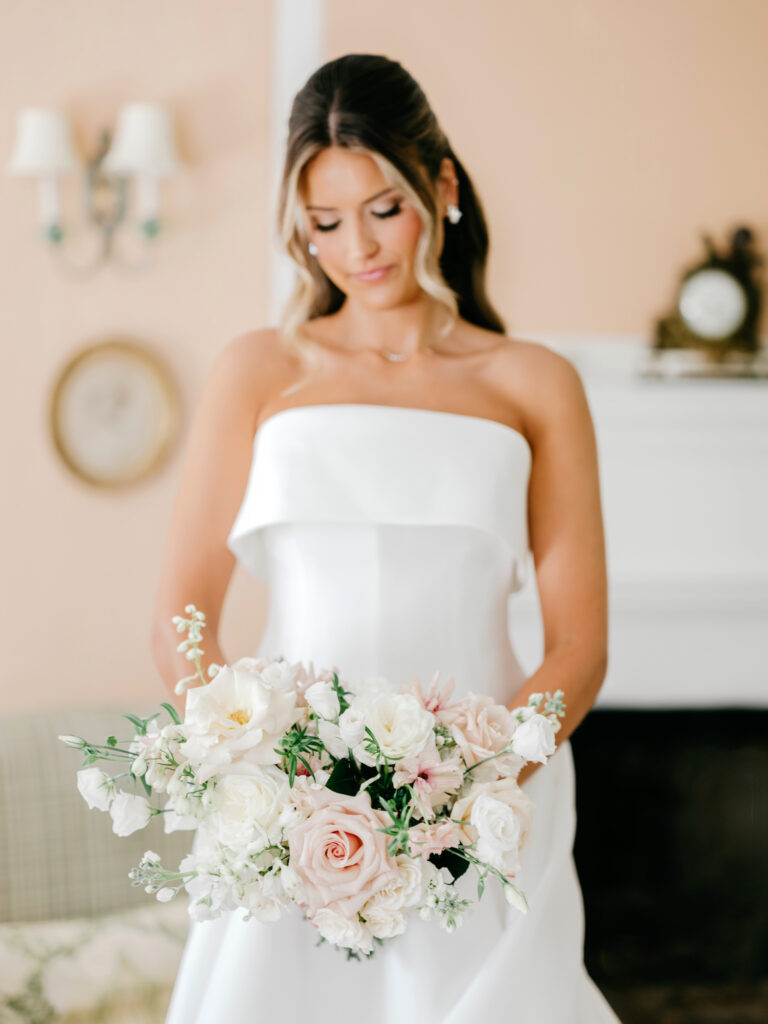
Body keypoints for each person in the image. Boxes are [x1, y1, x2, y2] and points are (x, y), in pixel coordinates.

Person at [152, 53, 621, 1024]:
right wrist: (274, 783)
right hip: (291, 812)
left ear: (441, 187)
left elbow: (579, 646)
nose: (356, 247)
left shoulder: (535, 384)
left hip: (484, 810)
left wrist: (457, 794)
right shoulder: (258, 371)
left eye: (382, 208)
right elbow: (181, 613)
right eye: (324, 223)